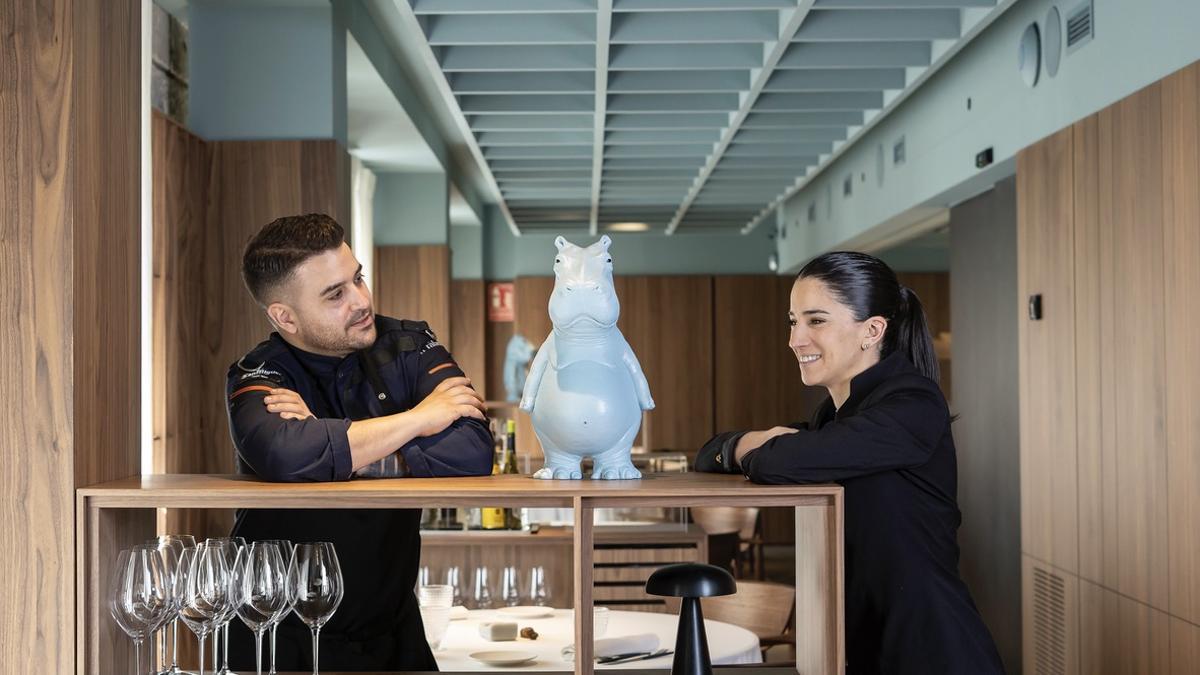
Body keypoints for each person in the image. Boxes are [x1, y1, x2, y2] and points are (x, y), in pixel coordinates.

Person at [696, 251, 1004, 675]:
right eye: (793, 321)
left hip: (930, 649)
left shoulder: (912, 405)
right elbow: (711, 453)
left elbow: (774, 462)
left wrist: (759, 447)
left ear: (873, 330)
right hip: (866, 642)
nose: (795, 339)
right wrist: (746, 446)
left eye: (815, 320)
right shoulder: (835, 417)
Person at [223, 213, 492, 671]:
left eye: (358, 279)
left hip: (394, 628)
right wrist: (420, 419)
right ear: (284, 316)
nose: (361, 301)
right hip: (276, 633)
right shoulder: (257, 372)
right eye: (335, 294)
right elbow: (283, 454)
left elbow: (472, 449)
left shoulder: (410, 344)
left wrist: (333, 445)